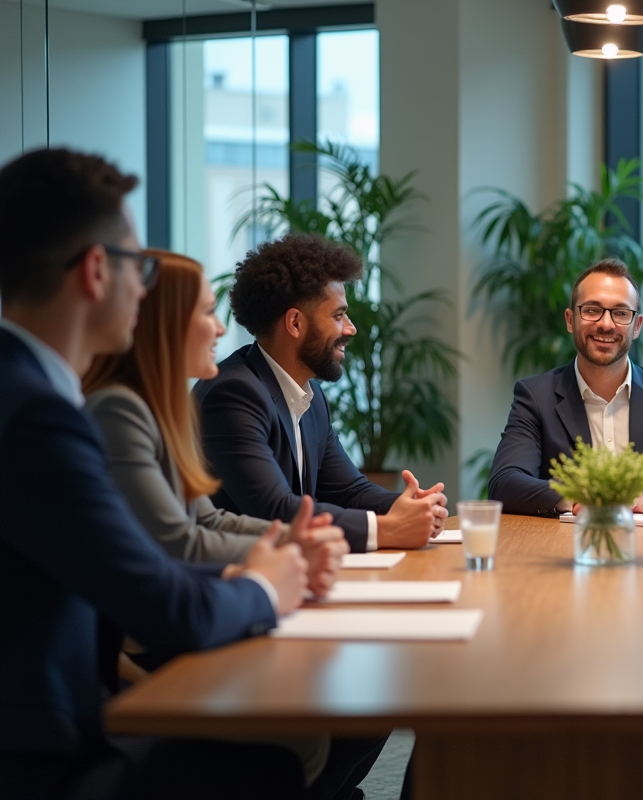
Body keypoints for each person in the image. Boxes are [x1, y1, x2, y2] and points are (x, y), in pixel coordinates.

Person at [0, 147, 316, 799]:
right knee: (268, 766)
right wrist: (262, 586)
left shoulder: (30, 396)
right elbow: (164, 603)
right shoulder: (39, 420)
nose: (144, 289)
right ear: (94, 270)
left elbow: (136, 565)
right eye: (137, 265)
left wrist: (249, 568)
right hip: (39, 759)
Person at [84, 251, 349, 594]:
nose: (221, 328)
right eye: (208, 312)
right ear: (166, 323)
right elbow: (180, 542)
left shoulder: (158, 409)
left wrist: (294, 537)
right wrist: (292, 546)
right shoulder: (119, 410)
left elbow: (207, 519)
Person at [193, 233, 447, 552]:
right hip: (239, 582)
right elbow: (276, 510)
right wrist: (386, 529)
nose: (350, 328)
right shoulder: (233, 394)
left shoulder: (308, 395)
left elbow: (349, 491)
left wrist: (409, 506)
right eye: (338, 316)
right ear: (295, 323)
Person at [488, 258, 643, 516]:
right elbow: (505, 482)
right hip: (565, 548)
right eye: (592, 310)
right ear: (570, 320)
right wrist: (576, 499)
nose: (606, 324)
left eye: (620, 313)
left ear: (636, 326)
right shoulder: (536, 397)